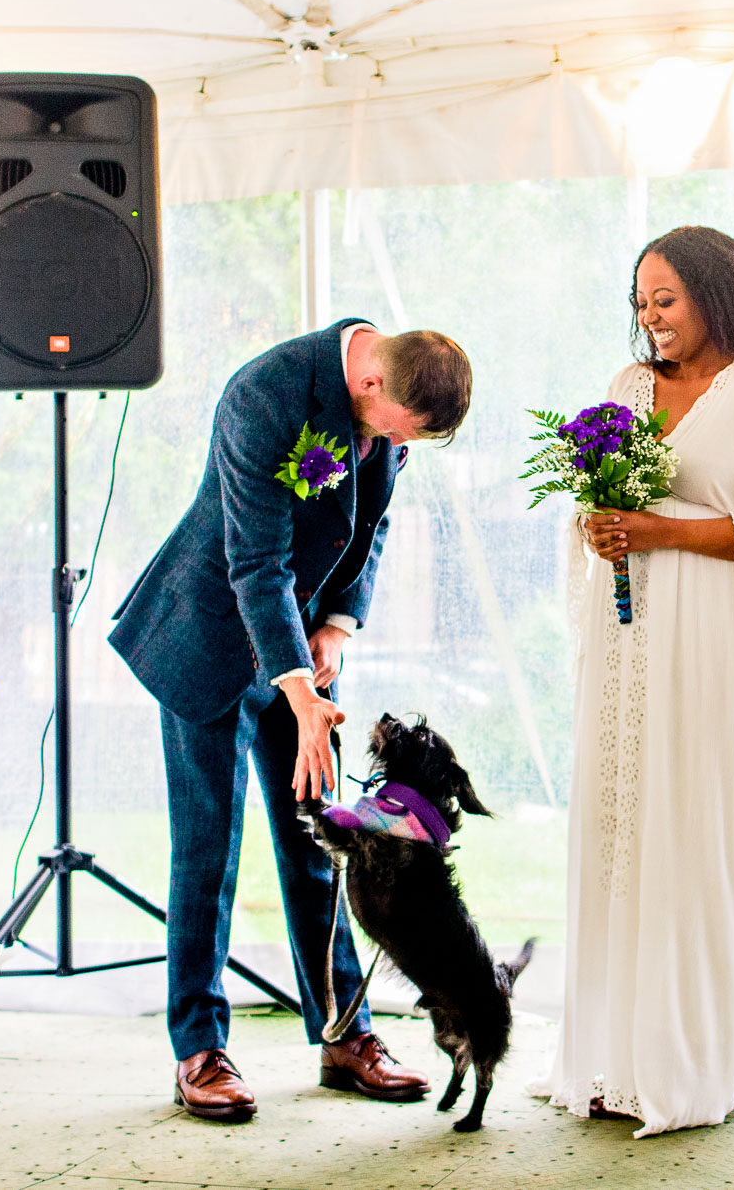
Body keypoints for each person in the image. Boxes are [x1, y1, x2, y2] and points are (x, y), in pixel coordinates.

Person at [109, 319, 472, 1121]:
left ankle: (345, 1035)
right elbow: (255, 563)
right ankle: (199, 1050)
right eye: (397, 432)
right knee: (208, 855)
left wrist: (338, 626)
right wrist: (301, 693)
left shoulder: (399, 389)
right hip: (206, 639)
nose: (393, 445)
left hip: (301, 644)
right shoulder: (264, 395)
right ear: (371, 385)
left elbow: (368, 528)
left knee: (323, 845)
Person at [530, 226, 734, 1136]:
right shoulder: (625, 390)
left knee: (694, 828)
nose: (652, 319)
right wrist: (600, 528)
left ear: (716, 291)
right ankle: (615, 1056)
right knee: (621, 828)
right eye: (642, 302)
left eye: (668, 299)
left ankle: (688, 1059)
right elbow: (595, 503)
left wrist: (662, 532)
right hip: (628, 639)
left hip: (713, 641)